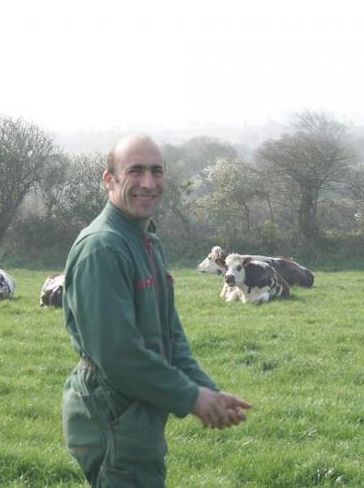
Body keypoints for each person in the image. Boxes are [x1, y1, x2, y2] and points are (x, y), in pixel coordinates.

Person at [62, 134, 251, 487]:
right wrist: (191, 398)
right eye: (135, 171)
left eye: (156, 171)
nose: (148, 183)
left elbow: (170, 333)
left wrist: (206, 389)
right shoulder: (103, 248)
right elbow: (118, 354)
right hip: (112, 411)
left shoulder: (146, 240)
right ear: (109, 180)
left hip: (137, 405)